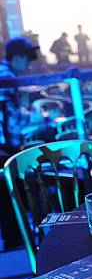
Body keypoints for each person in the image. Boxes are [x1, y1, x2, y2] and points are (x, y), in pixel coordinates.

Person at [0, 37, 42, 249]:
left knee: (7, 198)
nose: (29, 63)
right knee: (9, 197)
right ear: (17, 56)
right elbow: (12, 124)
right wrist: (37, 119)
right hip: (3, 149)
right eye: (27, 58)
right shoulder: (6, 77)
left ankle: (14, 239)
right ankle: (17, 242)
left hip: (5, 146)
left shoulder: (5, 74)